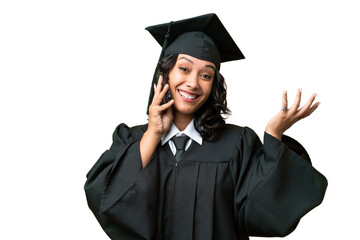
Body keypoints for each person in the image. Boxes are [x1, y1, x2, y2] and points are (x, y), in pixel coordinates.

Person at [84, 13, 327, 240]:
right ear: (165, 73)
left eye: (206, 75)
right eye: (184, 68)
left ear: (214, 85)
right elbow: (105, 200)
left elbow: (263, 211)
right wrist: (153, 133)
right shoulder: (132, 138)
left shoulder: (237, 143)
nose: (192, 83)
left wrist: (274, 135)